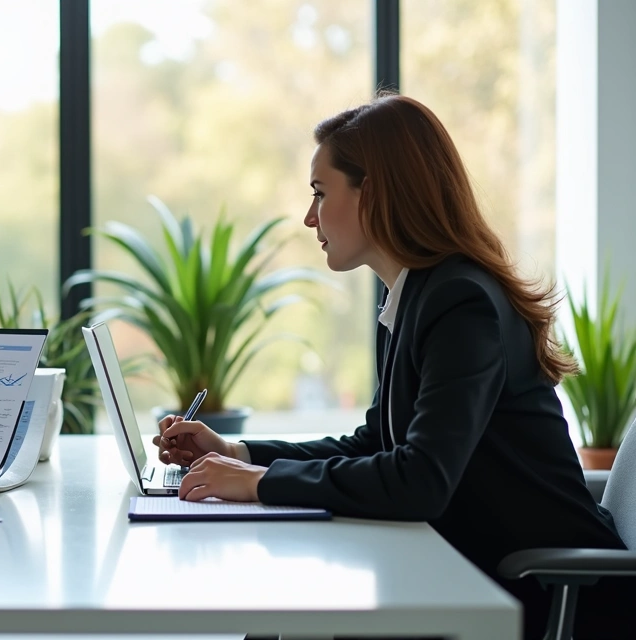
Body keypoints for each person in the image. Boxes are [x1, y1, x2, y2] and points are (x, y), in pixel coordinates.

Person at [154, 93, 633, 639]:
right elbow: (375, 444)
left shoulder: (462, 302)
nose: (309, 216)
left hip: (551, 598)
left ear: (373, 193)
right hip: (472, 571)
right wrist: (237, 453)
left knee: (291, 616)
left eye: (320, 192)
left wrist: (261, 483)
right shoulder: (418, 295)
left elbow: (421, 480)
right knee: (284, 615)